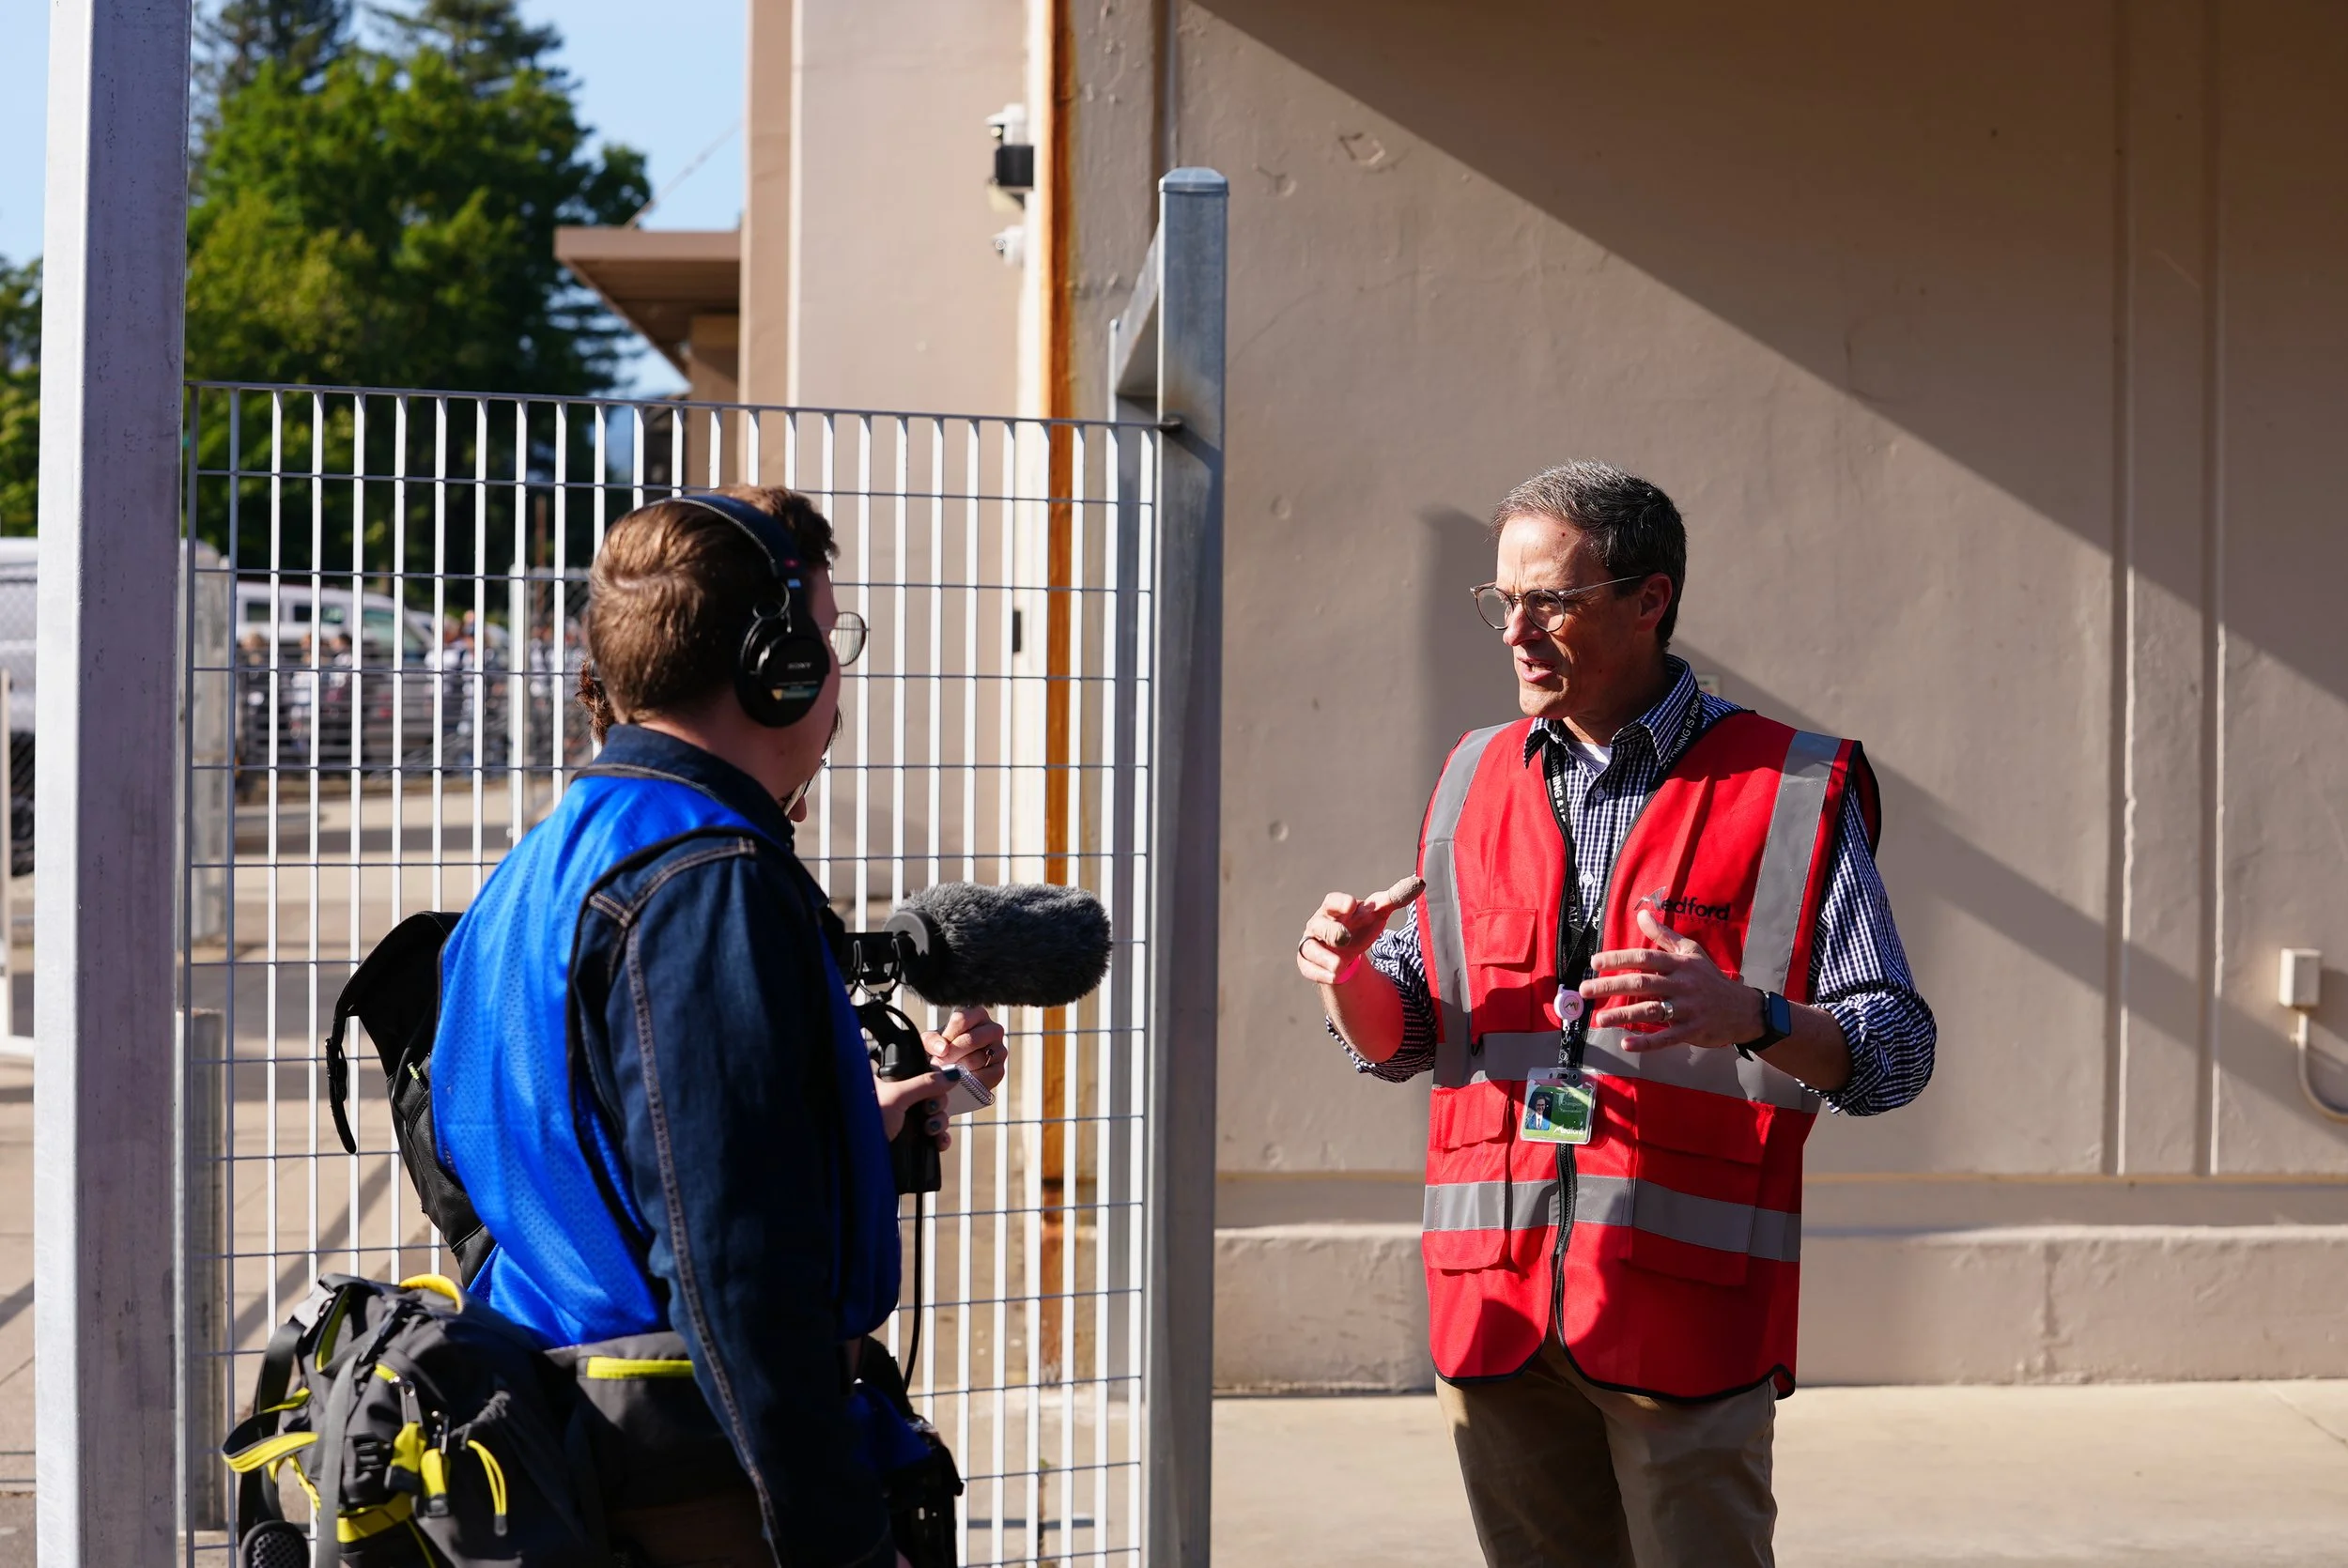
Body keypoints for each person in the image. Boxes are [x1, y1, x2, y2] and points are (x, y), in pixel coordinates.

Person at [1295, 461, 1934, 1568]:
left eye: (1551, 599)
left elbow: (1892, 1052)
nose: (1516, 630)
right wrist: (1344, 976)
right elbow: (1402, 1037)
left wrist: (1748, 1012)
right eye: (1501, 600)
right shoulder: (1467, 776)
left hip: (1682, 1319)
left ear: (1650, 597)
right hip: (1494, 1306)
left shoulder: (1791, 786)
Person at [432, 484, 1008, 1568]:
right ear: (776, 665)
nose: (837, 676)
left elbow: (529, 1162)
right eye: (830, 640)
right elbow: (734, 1262)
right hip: (695, 1485)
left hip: (574, 1445)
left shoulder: (534, 871)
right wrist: (840, 1536)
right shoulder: (709, 880)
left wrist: (839, 1140)